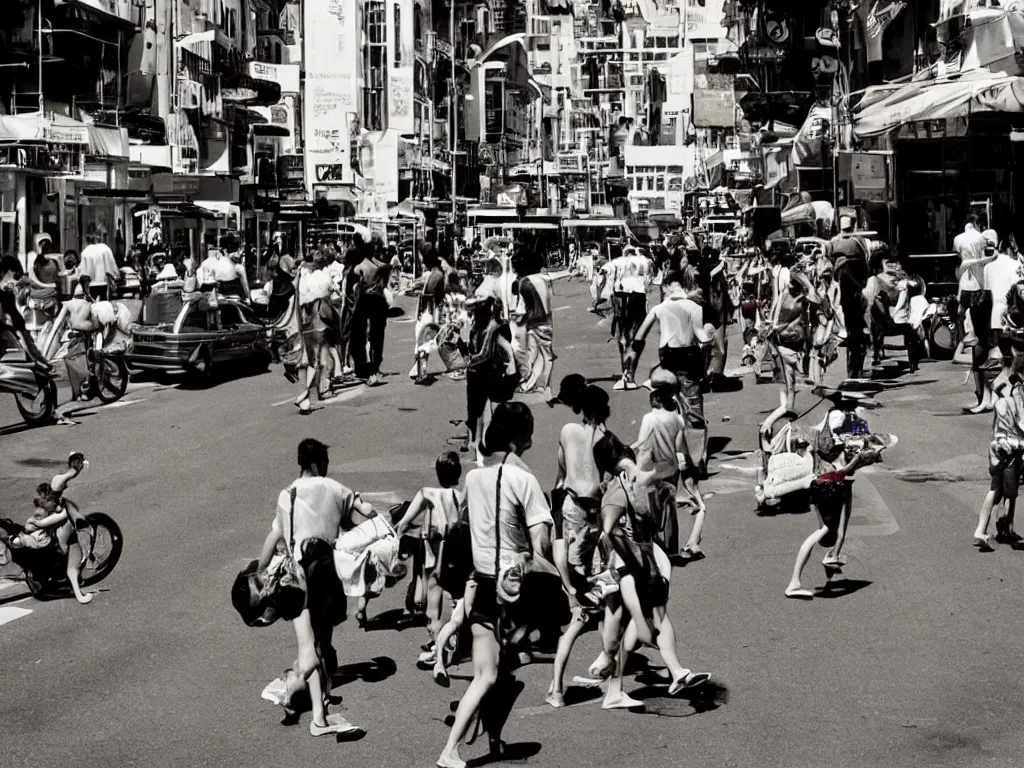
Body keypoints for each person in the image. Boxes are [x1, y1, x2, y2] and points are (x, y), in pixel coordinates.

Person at [437, 403, 553, 768]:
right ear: (516, 443)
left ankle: (485, 740)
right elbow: (543, 544)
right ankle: (452, 749)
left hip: (484, 585)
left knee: (490, 674)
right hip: (516, 591)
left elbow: (466, 526)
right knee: (499, 673)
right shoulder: (524, 480)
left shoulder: (472, 478)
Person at [255, 439, 373, 737]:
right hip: (326, 574)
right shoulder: (335, 488)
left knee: (309, 646)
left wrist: (257, 574)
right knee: (321, 646)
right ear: (319, 463)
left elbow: (274, 538)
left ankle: (318, 714)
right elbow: (364, 520)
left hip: (295, 580)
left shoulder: (287, 496)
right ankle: (297, 689)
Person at [593, 440, 710, 709]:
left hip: (639, 562)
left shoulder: (629, 484)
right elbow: (609, 529)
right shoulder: (623, 488)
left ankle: (671, 672)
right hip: (626, 566)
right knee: (628, 629)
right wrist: (628, 554)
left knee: (635, 627)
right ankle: (622, 679)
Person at [625, 269, 712, 476]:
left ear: (667, 286)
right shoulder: (695, 307)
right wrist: (706, 366)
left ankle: (667, 454)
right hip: (690, 359)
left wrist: (631, 366)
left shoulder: (660, 308)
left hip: (668, 359)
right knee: (694, 410)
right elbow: (703, 338)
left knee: (666, 407)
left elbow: (639, 337)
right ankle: (697, 460)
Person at [395, 452, 465, 659]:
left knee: (433, 589)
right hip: (456, 547)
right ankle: (453, 636)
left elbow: (405, 523)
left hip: (434, 548)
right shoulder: (462, 498)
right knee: (454, 593)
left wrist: (398, 535)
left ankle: (437, 640)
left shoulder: (427, 493)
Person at [634, 373, 705, 558]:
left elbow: (641, 442)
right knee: (669, 507)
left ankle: (653, 545)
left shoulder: (649, 418)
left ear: (655, 401)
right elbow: (679, 447)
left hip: (652, 469)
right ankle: (672, 549)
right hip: (671, 469)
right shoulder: (678, 420)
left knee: (651, 507)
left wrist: (627, 449)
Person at [464, 296, 518, 465]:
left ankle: (480, 443)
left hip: (489, 373)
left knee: (482, 410)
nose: (473, 318)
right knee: (476, 410)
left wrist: (468, 359)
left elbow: (486, 353)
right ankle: (476, 441)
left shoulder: (494, 328)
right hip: (479, 374)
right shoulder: (479, 326)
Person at [974, 368, 1024, 551]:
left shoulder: (1005, 402)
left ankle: (990, 529)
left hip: (1001, 450)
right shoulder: (1010, 404)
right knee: (1005, 491)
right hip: (1008, 452)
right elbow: (1008, 433)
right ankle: (1000, 529)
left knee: (1001, 490)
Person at [956, 217, 998, 413]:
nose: (987, 246)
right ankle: (983, 396)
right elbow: (964, 269)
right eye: (985, 243)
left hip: (990, 308)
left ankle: (988, 397)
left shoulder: (993, 264)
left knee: (985, 352)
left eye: (991, 243)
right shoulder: (974, 265)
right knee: (979, 352)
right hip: (980, 304)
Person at [761, 275, 810, 440]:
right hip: (787, 347)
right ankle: (767, 426)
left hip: (781, 346)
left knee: (789, 387)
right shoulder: (798, 299)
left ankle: (785, 420)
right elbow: (816, 299)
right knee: (788, 396)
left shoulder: (783, 295)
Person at [594, 245, 647, 390]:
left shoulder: (616, 262)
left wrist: (598, 298)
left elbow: (601, 274)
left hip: (621, 301)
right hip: (639, 300)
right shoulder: (645, 261)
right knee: (637, 340)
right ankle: (630, 376)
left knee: (623, 339)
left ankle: (625, 373)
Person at [831, 217, 871, 379]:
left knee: (849, 332)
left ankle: (852, 369)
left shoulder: (833, 244)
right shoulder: (859, 243)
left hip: (840, 295)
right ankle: (856, 368)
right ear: (853, 225)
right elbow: (865, 268)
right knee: (857, 333)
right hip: (855, 293)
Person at [514, 250, 556, 402]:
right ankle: (539, 385)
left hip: (532, 322)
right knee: (546, 356)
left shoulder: (524, 282)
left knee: (534, 353)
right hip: (545, 322)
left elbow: (522, 308)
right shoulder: (544, 278)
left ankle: (528, 383)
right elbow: (558, 275)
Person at [351, 239, 391, 386]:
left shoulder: (361, 266)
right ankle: (375, 366)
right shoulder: (377, 266)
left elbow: (357, 284)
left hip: (365, 299)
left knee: (359, 333)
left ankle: (364, 366)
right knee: (377, 335)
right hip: (378, 300)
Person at [78, 235, 120, 301]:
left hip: (91, 285)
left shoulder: (85, 252)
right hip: (104, 283)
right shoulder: (105, 249)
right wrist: (116, 276)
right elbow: (111, 264)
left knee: (93, 305)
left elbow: (82, 272)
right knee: (104, 305)